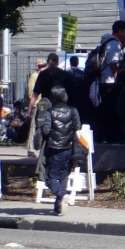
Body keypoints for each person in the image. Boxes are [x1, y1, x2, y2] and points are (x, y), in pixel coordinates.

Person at [39, 85, 80, 216]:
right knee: (63, 177)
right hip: (69, 148)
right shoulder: (73, 111)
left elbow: (46, 130)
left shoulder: (50, 112)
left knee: (50, 178)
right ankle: (59, 207)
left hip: (54, 149)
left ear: (53, 97)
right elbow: (77, 128)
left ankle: (62, 195)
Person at [97, 20, 125, 144]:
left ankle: (105, 135)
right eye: (124, 30)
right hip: (110, 82)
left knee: (106, 110)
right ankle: (112, 136)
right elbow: (114, 63)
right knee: (112, 110)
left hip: (104, 81)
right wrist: (117, 79)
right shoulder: (114, 43)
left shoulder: (106, 41)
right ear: (120, 30)